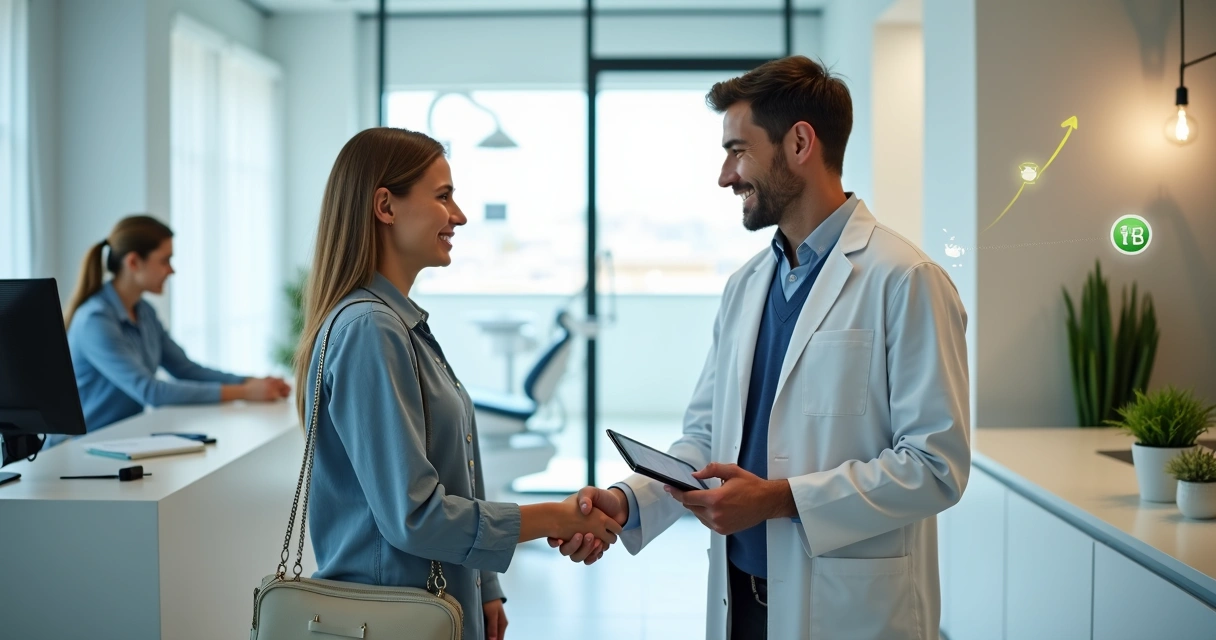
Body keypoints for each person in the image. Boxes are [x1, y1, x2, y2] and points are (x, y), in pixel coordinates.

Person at [552, 56, 971, 640]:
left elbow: (935, 468)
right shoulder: (745, 286)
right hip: (740, 602)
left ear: (800, 142)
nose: (726, 175)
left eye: (738, 150)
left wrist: (777, 500)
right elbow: (704, 441)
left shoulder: (904, 280)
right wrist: (629, 501)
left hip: (847, 610)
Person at [297, 127, 623, 640]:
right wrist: (555, 517)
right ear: (386, 205)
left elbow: (455, 473)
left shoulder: (400, 324)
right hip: (388, 618)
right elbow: (416, 516)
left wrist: (484, 586)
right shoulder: (370, 330)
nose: (460, 215)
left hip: (435, 603)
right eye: (443, 196)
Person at [62, 215, 290, 438]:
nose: (172, 270)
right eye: (164, 260)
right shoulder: (95, 321)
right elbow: (150, 391)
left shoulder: (145, 312)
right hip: (77, 449)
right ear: (133, 262)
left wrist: (252, 382)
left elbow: (186, 369)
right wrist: (245, 393)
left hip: (119, 440)